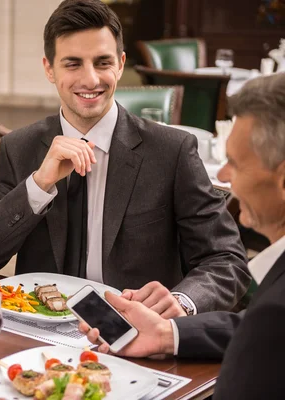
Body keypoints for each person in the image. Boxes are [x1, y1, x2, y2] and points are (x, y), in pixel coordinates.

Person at [0, 0, 250, 317]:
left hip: (136, 336)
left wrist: (181, 302)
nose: (90, 80)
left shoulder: (172, 151)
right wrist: (38, 184)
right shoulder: (19, 147)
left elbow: (226, 260)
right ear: (49, 69)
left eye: (102, 63)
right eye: (72, 64)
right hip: (40, 335)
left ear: (120, 63)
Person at [81, 73, 285, 399]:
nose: (221, 175)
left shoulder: (274, 310)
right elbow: (256, 330)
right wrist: (167, 334)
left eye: (234, 162)